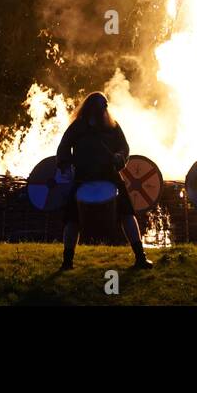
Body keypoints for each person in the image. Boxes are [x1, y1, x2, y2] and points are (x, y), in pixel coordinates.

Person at [56, 92, 153, 271]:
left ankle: (140, 257)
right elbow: (63, 147)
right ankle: (67, 262)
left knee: (127, 214)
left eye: (103, 108)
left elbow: (124, 147)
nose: (101, 112)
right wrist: (65, 163)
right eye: (98, 108)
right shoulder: (78, 127)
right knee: (72, 220)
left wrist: (119, 156)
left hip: (110, 176)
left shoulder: (113, 126)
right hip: (82, 177)